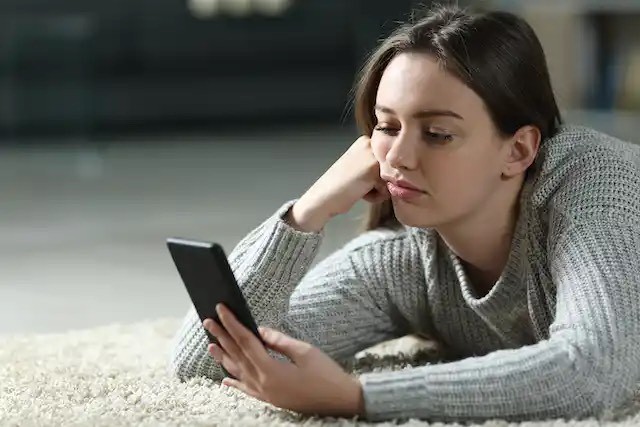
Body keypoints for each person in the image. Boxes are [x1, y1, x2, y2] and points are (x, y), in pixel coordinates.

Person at [169, 4, 640, 423]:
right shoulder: (406, 261)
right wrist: (306, 214)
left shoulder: (596, 189)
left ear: (518, 150)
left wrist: (357, 396)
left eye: (437, 133)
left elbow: (596, 370)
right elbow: (207, 361)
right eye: (387, 126)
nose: (398, 157)